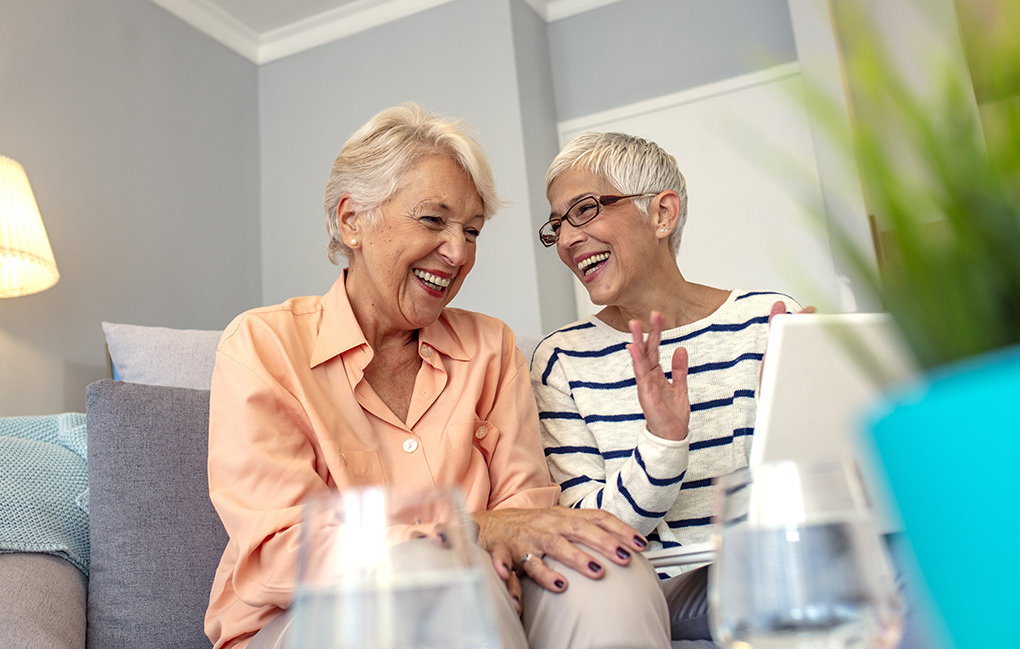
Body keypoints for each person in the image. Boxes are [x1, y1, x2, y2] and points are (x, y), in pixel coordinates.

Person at [204, 105, 674, 649]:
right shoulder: (263, 345)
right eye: (433, 220)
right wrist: (467, 532)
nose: (457, 253)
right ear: (352, 220)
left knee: (603, 571)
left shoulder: (490, 347)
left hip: (489, 597)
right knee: (439, 579)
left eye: (471, 231)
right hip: (303, 622)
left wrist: (499, 538)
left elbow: (526, 512)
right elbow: (281, 550)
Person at [530, 131, 805, 640]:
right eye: (556, 224)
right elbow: (588, 533)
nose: (566, 239)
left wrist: (805, 412)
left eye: (585, 210)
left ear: (661, 214)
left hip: (779, 564)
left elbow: (813, 490)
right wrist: (662, 445)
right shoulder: (561, 360)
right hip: (660, 593)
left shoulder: (769, 321)